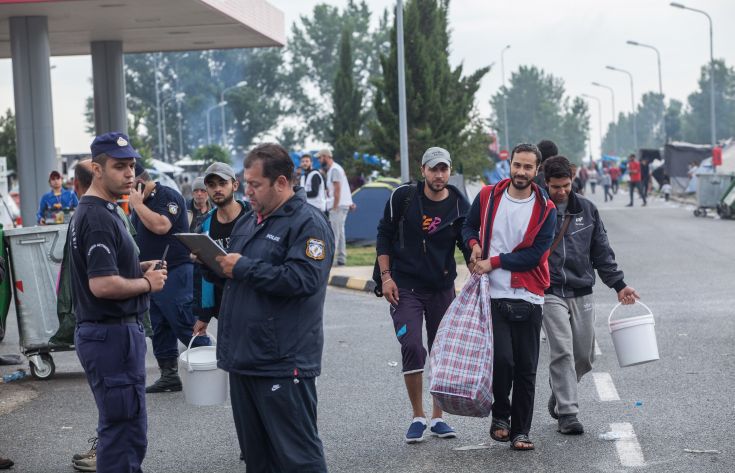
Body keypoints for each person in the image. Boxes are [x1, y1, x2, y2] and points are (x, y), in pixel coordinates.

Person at [206, 143, 333, 472]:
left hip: (281, 361)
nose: (247, 192)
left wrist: (243, 267)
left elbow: (304, 279)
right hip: (245, 360)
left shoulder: (308, 224)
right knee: (258, 459)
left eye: (254, 184)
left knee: (298, 459)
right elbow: (237, 280)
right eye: (245, 183)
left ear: (281, 182)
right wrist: (210, 263)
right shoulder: (250, 223)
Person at [70, 132, 168, 472]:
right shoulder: (97, 217)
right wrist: (145, 282)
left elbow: (103, 269)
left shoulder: (101, 210)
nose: (130, 174)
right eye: (119, 166)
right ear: (97, 169)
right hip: (111, 335)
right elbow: (101, 284)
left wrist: (137, 267)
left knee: (127, 428)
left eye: (132, 166)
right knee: (123, 432)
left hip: (110, 334)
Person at [462, 143, 557, 451]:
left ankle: (521, 431)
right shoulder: (489, 196)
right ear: (510, 164)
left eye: (528, 167)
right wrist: (474, 243)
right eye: (517, 165)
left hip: (530, 294)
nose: (521, 172)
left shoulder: (546, 210)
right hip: (494, 293)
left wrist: (495, 261)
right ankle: (500, 415)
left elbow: (533, 255)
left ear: (537, 170)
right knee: (502, 360)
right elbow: (467, 226)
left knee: (526, 367)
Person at [376, 147, 470, 444]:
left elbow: (467, 244)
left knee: (441, 350)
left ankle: (439, 418)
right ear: (423, 171)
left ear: (449, 170)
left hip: (441, 288)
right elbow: (384, 235)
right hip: (405, 288)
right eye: (433, 169)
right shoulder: (403, 197)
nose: (439, 175)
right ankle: (418, 416)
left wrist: (477, 265)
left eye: (444, 169)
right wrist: (386, 277)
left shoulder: (458, 204)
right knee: (413, 346)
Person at [542, 156, 640, 434]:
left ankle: (561, 387)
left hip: (582, 289)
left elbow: (601, 251)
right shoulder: (538, 209)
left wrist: (619, 285)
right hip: (549, 290)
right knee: (561, 350)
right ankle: (567, 413)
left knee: (583, 356)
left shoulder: (587, 209)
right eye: (555, 187)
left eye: (566, 185)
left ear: (572, 180)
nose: (561, 191)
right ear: (546, 183)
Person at [129, 164, 210, 394]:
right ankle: (169, 375)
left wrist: (136, 204)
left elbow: (161, 226)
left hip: (175, 270)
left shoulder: (168, 196)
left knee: (184, 322)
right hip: (152, 274)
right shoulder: (140, 204)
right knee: (158, 326)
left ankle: (216, 367)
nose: (129, 195)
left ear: (140, 183)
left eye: (131, 189)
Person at [191, 162, 251, 335]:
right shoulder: (204, 226)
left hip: (253, 303)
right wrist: (204, 315)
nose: (217, 189)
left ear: (235, 185)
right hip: (223, 308)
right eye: (211, 185)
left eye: (222, 183)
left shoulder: (253, 218)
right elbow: (202, 277)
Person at [318, 148, 354, 266]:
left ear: (326, 157)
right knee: (340, 232)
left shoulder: (334, 170)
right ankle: (341, 258)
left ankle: (330, 261)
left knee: (334, 233)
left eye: (320, 158)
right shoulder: (334, 169)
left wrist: (334, 207)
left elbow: (337, 190)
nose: (319, 160)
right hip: (341, 204)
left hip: (338, 205)